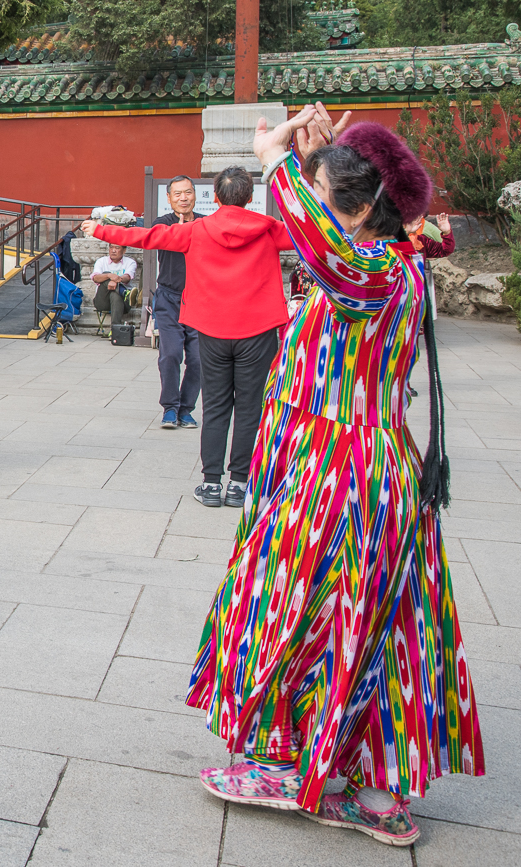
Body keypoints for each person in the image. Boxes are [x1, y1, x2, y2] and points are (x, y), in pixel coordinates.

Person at [188, 104, 485, 847]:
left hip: (344, 474)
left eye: (331, 200)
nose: (319, 211)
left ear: (357, 210)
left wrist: (278, 164)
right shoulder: (399, 261)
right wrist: (333, 160)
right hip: (361, 465)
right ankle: (353, 778)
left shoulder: (376, 273)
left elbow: (326, 249)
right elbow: (342, 237)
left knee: (314, 606)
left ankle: (320, 774)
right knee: (353, 616)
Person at [88, 167, 293, 509]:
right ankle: (239, 485)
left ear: (214, 196)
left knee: (214, 407)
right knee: (249, 409)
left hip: (212, 330)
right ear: (248, 197)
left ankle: (211, 484)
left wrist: (99, 229)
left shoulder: (195, 230)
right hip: (257, 332)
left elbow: (146, 237)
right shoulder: (270, 230)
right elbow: (317, 234)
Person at [151, 176, 203, 429]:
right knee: (170, 354)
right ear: (169, 198)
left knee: (198, 359)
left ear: (195, 195)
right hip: (169, 298)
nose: (184, 198)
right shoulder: (162, 223)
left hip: (200, 301)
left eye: (188, 193)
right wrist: (182, 229)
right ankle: (169, 408)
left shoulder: (206, 223)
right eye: (178, 194)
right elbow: (163, 237)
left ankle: (186, 409)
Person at [90, 243, 136, 328]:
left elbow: (127, 277)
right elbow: (95, 278)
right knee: (105, 274)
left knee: (115, 294)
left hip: (123, 303)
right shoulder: (101, 261)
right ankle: (125, 292)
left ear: (124, 250)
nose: (113, 250)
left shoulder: (130, 262)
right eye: (111, 247)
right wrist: (109, 276)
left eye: (117, 248)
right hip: (102, 301)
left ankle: (115, 329)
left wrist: (116, 280)